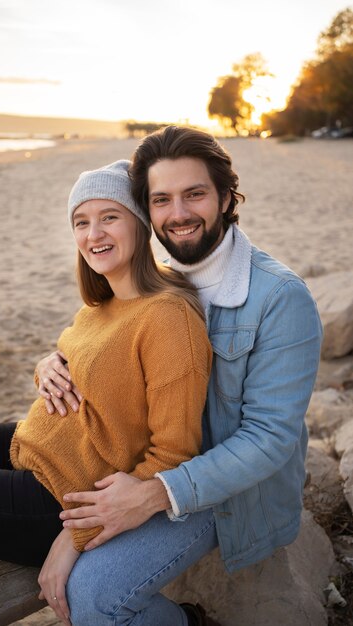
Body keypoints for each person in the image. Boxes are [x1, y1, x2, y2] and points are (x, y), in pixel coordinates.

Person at [37, 126, 323, 626]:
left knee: (95, 595)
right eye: (161, 199)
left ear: (227, 196)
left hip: (228, 494)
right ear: (147, 211)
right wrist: (51, 362)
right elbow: (107, 344)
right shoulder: (161, 280)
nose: (179, 214)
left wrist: (149, 495)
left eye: (195, 194)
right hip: (146, 461)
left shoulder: (280, 298)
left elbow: (269, 438)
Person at [0, 159, 214, 626]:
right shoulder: (104, 302)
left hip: (55, 500)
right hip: (29, 447)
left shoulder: (168, 317)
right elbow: (78, 360)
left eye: (110, 217)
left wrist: (76, 535)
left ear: (140, 222)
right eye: (81, 222)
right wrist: (44, 366)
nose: (93, 234)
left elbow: (174, 453)